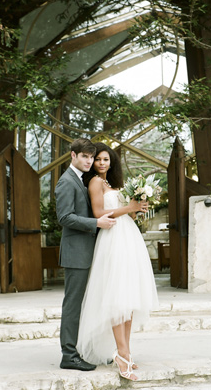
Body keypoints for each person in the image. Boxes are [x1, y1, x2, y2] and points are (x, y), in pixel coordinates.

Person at [76, 142, 159, 381]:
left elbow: (123, 211)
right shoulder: (95, 182)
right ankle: (121, 353)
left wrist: (137, 208)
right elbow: (98, 213)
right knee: (116, 297)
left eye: (106, 160)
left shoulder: (112, 184)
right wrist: (127, 208)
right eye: (98, 159)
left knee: (128, 298)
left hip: (128, 236)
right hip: (112, 238)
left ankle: (126, 351)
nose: (102, 164)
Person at [55, 138, 116, 371]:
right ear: (73, 155)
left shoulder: (81, 179)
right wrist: (96, 222)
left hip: (89, 252)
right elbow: (65, 217)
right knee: (73, 305)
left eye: (92, 157)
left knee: (87, 304)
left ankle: (85, 350)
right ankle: (68, 355)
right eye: (85, 156)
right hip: (76, 254)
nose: (90, 161)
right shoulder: (66, 182)